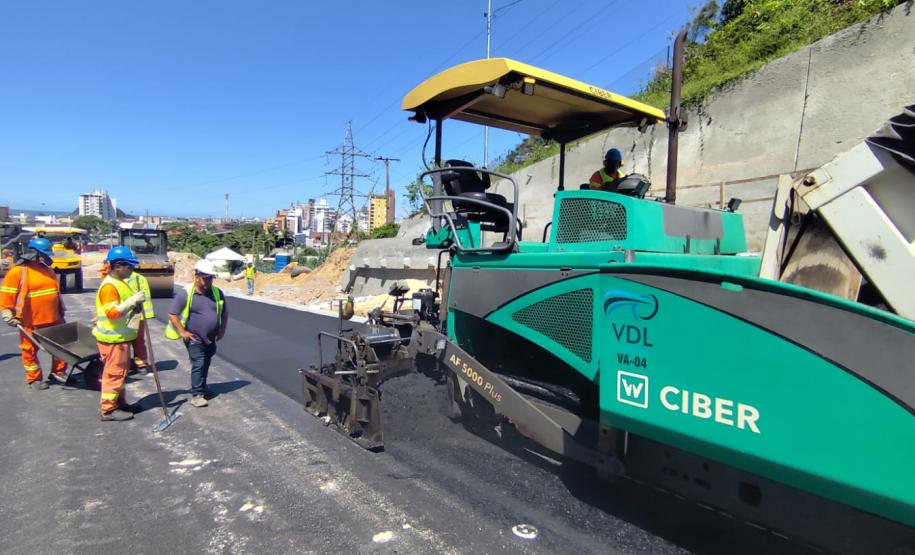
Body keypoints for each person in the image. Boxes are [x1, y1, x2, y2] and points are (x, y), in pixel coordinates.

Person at [0, 238, 68, 390]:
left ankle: (58, 372)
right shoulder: (18, 272)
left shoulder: (47, 270)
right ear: (33, 253)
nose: (45, 258)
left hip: (54, 318)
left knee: (60, 348)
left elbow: (55, 293)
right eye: (43, 254)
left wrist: (60, 311)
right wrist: (6, 312)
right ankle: (34, 379)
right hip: (30, 320)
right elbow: (6, 295)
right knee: (29, 350)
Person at [93, 246, 146, 421]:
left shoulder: (120, 283)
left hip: (121, 338)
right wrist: (132, 301)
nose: (132, 270)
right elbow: (112, 313)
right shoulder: (109, 286)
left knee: (121, 374)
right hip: (113, 339)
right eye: (129, 266)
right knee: (114, 374)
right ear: (118, 266)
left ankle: (119, 403)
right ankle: (108, 410)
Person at [166, 260, 227, 408]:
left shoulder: (217, 292)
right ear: (197, 276)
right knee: (199, 363)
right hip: (194, 337)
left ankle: (203, 387)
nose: (208, 281)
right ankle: (197, 394)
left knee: (206, 362)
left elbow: (224, 312)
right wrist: (183, 332)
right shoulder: (186, 293)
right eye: (206, 278)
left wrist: (222, 329)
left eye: (211, 278)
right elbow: (172, 313)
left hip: (210, 337)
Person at [125, 269, 155, 374]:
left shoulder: (139, 279)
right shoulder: (116, 278)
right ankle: (124, 364)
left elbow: (145, 297)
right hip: (121, 315)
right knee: (123, 342)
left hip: (137, 315)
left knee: (138, 340)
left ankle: (140, 362)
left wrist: (145, 315)